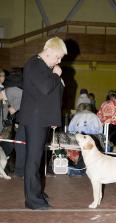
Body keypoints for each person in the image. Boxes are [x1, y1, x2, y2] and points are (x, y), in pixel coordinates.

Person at [19, 37, 67, 209]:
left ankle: (37, 192)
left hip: (42, 118)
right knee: (33, 160)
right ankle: (32, 200)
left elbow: (50, 95)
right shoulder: (34, 64)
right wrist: (56, 74)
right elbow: (46, 87)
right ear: (49, 52)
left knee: (37, 159)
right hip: (34, 119)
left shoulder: (44, 66)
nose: (59, 61)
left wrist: (53, 118)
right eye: (58, 57)